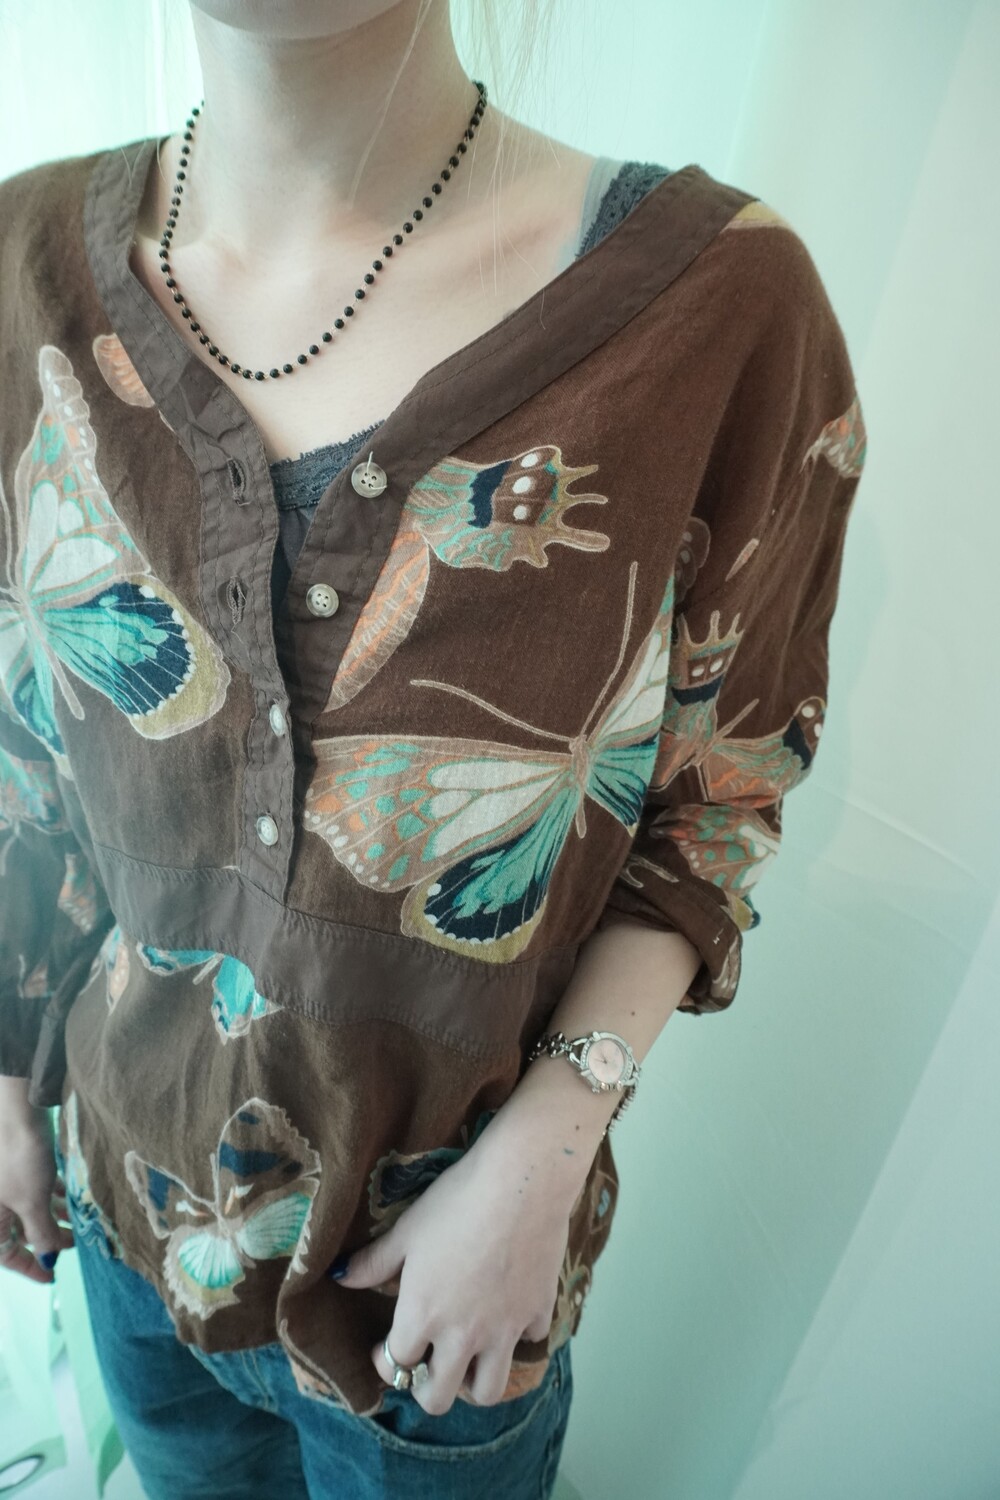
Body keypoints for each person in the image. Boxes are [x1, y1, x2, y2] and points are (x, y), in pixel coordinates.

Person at [0, 1, 868, 1496]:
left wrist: (547, 1151)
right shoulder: (22, 266)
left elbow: (720, 796)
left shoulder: (724, 308)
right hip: (128, 1232)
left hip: (436, 1304)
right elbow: (24, 734)